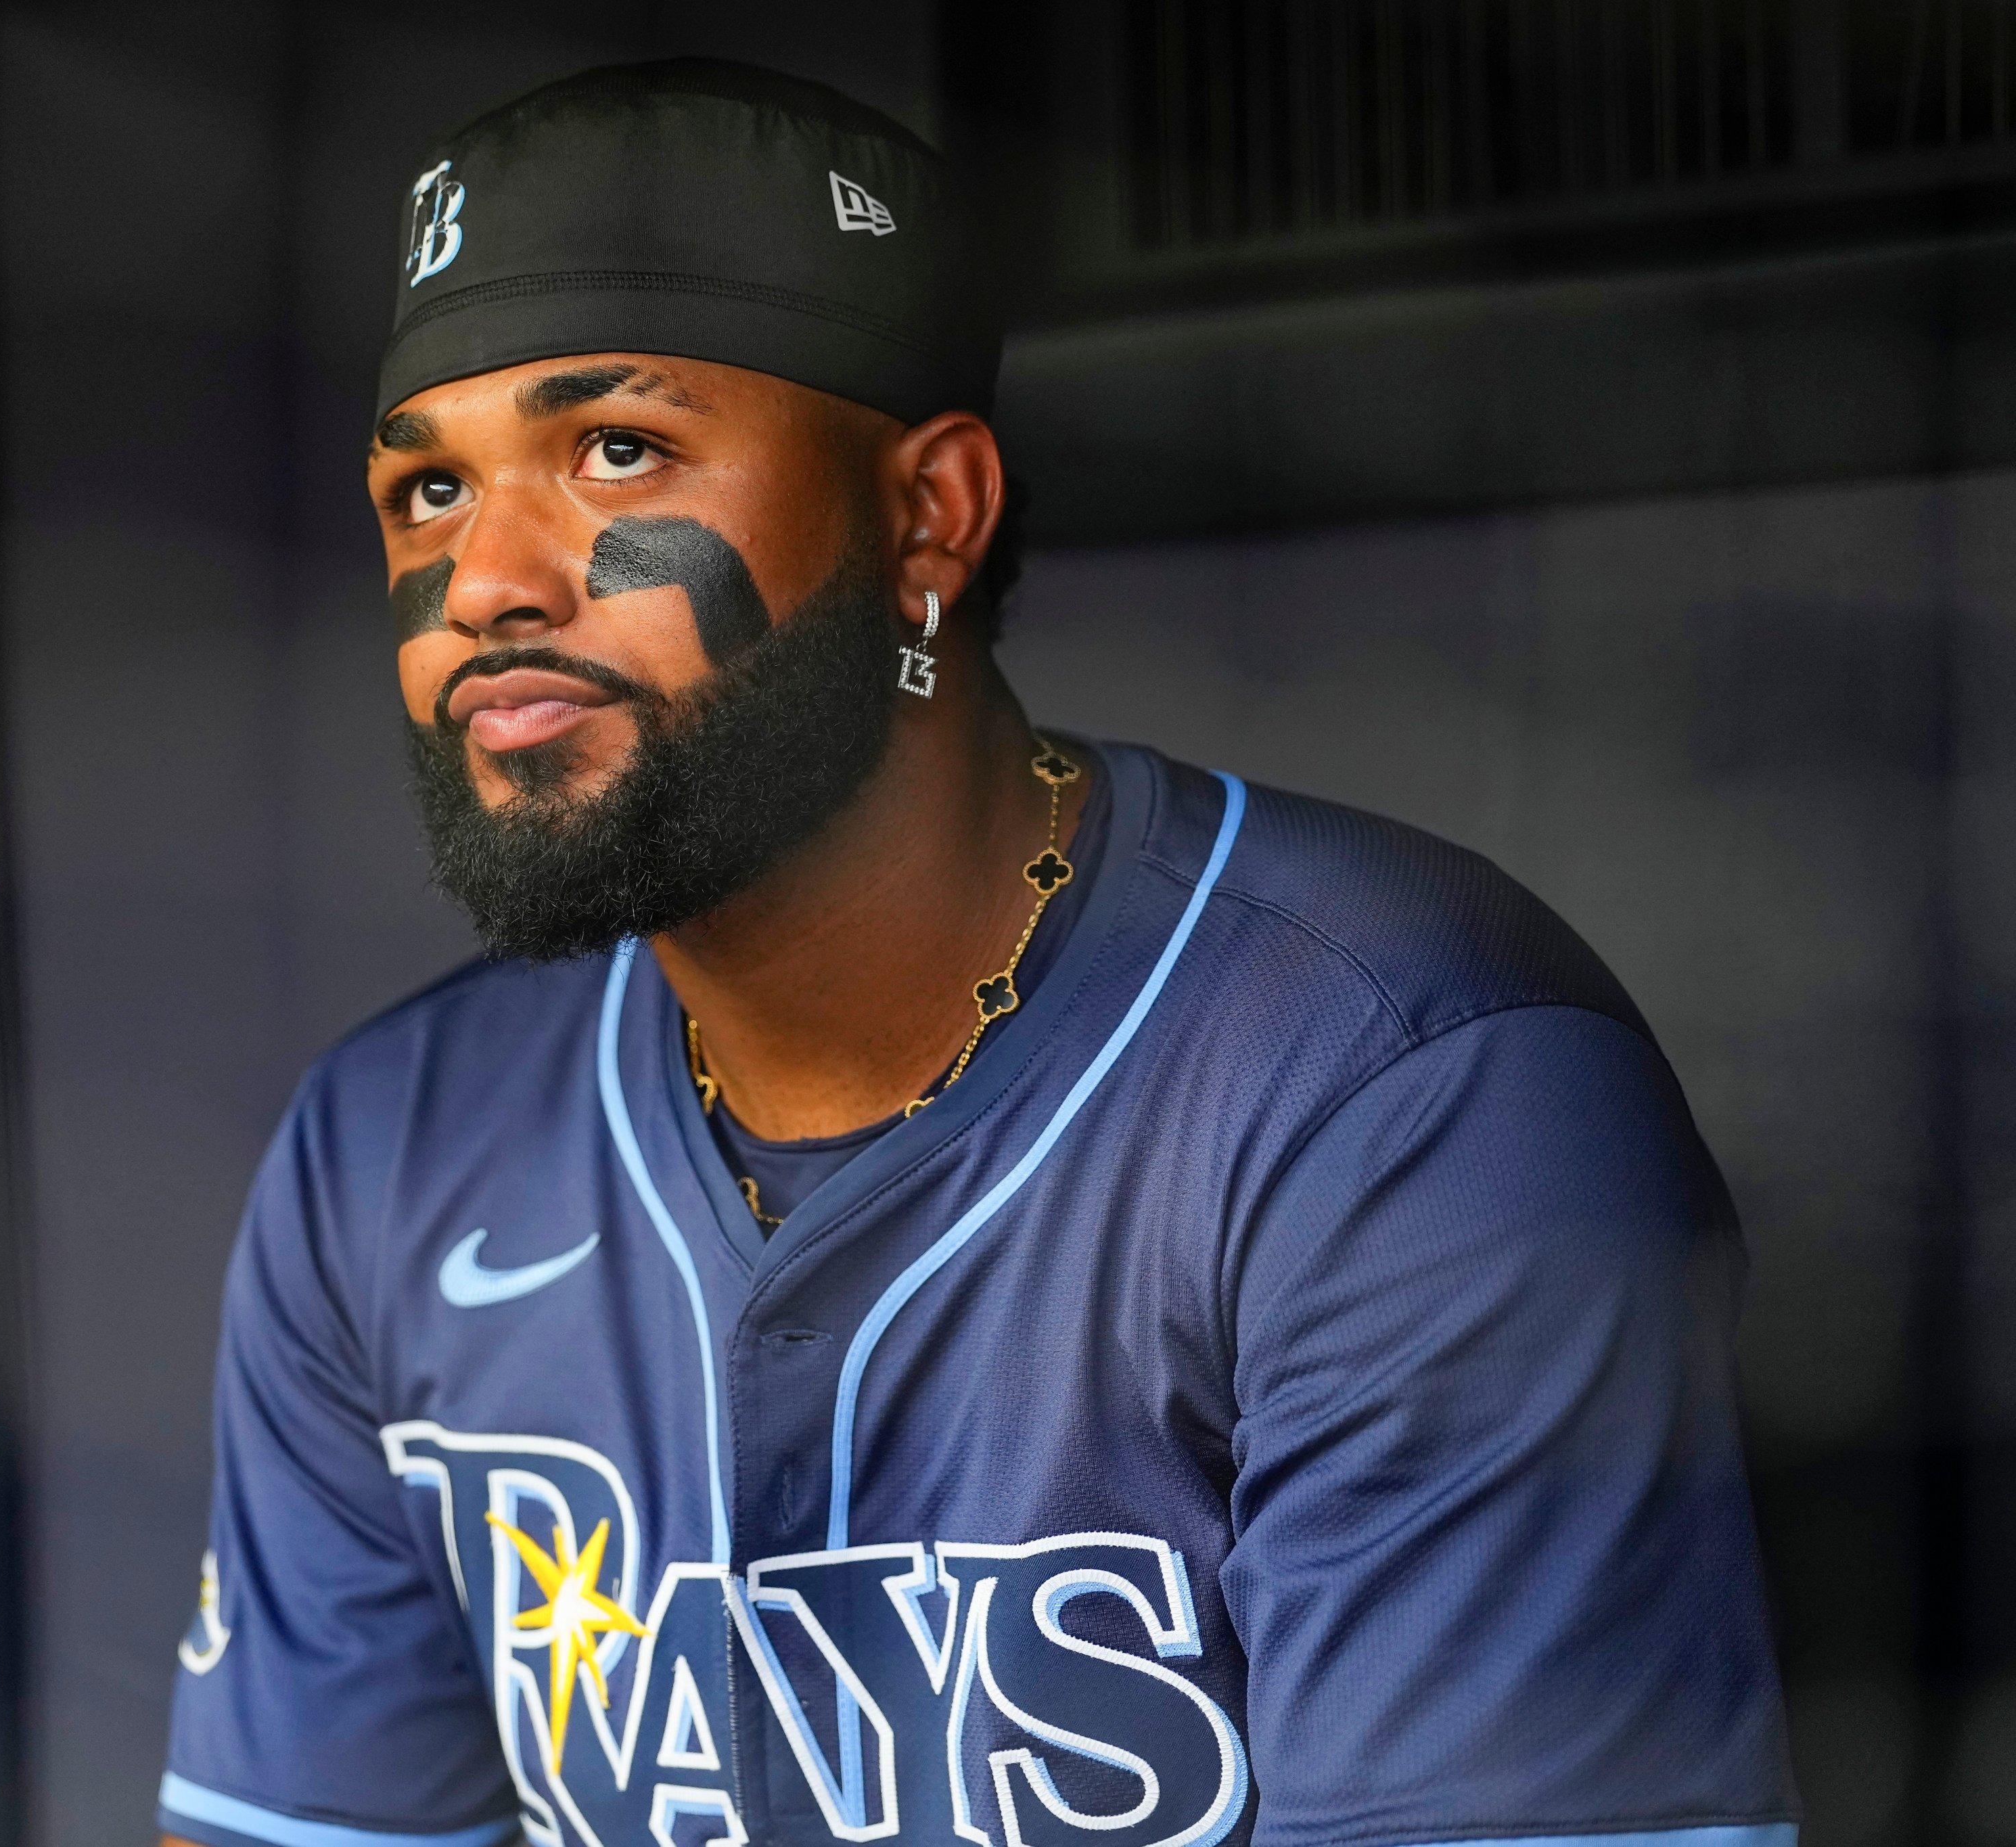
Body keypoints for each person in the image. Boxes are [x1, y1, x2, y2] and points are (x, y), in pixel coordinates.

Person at [158, 59, 1797, 1847]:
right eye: (426, 494)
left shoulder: (1408, 1078)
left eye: (613, 449)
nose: (486, 579)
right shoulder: (389, 1148)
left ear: (931, 512)